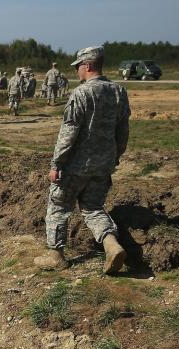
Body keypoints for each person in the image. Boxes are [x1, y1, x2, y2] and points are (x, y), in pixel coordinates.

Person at [34, 46, 131, 275]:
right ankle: (111, 245)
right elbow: (123, 129)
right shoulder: (118, 91)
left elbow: (69, 132)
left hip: (76, 166)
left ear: (87, 66)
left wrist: (56, 164)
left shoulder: (82, 93)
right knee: (93, 208)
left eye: (78, 66)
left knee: (58, 206)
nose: (77, 71)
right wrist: (115, 156)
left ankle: (56, 255)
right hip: (103, 165)